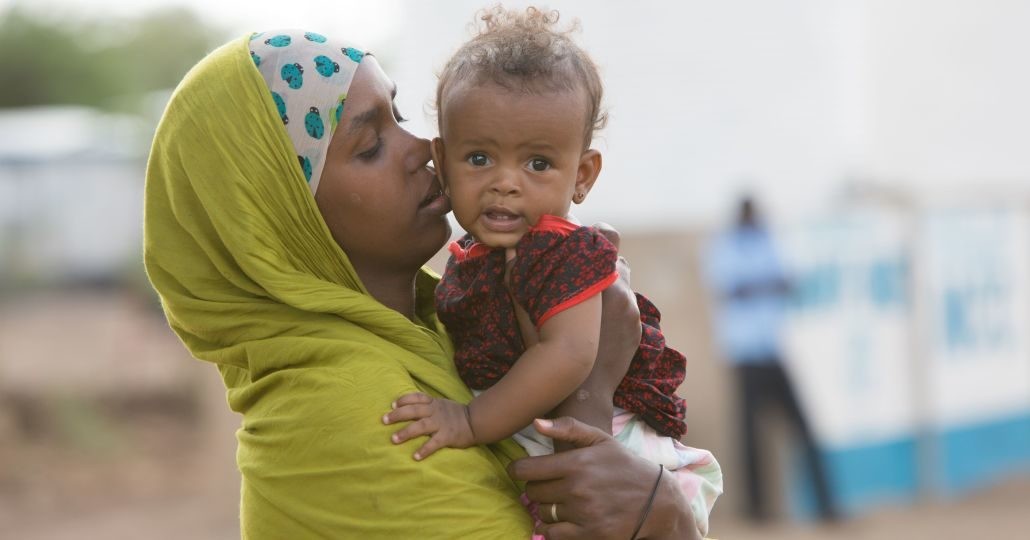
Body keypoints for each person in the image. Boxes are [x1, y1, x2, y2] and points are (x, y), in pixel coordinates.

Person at [144, 26, 703, 539]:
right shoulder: (343, 415)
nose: (421, 148)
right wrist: (595, 392)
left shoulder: (448, 319)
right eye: (370, 146)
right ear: (282, 222)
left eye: (399, 114)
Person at [378, 7, 721, 537]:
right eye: (478, 159)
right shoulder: (476, 254)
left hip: (615, 440)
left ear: (581, 176)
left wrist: (469, 421)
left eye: (537, 163)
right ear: (441, 162)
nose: (505, 183)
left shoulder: (558, 250)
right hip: (538, 428)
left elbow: (569, 355)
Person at [705, 194, 838, 522]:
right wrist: (766, 284)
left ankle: (827, 506)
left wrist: (757, 285)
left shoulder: (769, 240)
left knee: (804, 430)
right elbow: (729, 288)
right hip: (743, 354)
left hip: (772, 349)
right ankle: (757, 511)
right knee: (750, 437)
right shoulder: (724, 246)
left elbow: (788, 281)